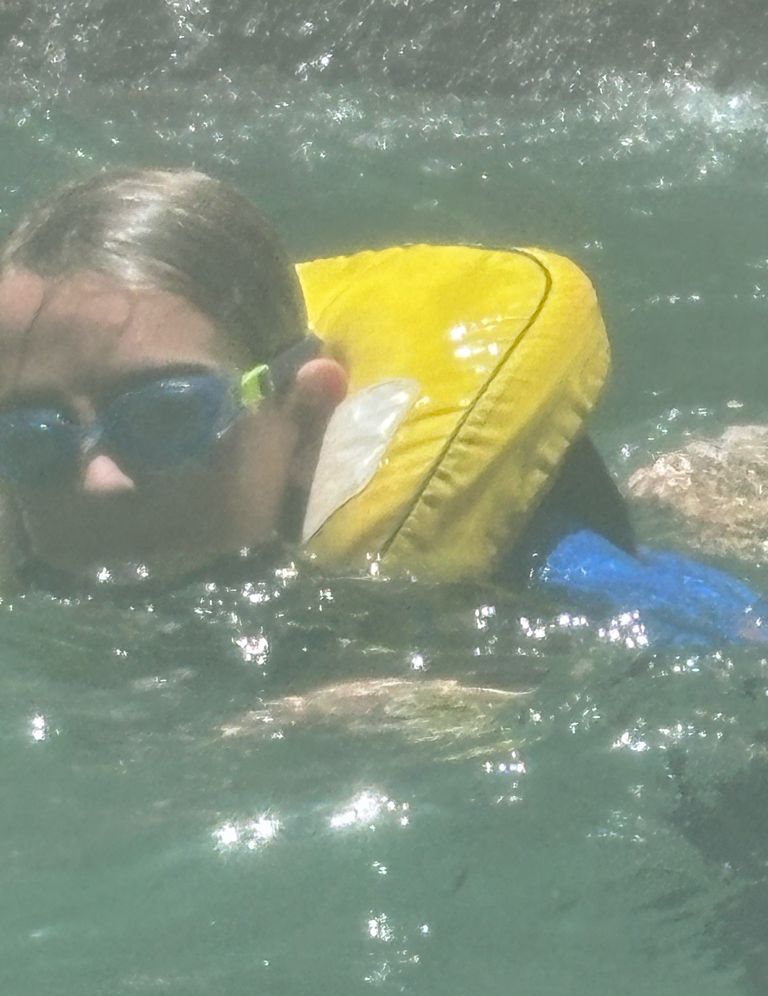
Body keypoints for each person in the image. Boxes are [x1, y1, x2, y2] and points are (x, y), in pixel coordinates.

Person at [0, 167, 764, 646]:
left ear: (306, 418)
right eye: (32, 438)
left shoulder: (554, 582)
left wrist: (477, 695)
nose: (96, 478)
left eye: (164, 415)